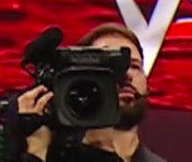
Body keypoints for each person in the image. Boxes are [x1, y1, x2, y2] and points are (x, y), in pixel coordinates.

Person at [17, 25, 162, 162]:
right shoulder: (43, 152)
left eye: (135, 66)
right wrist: (35, 150)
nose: (127, 74)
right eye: (110, 66)